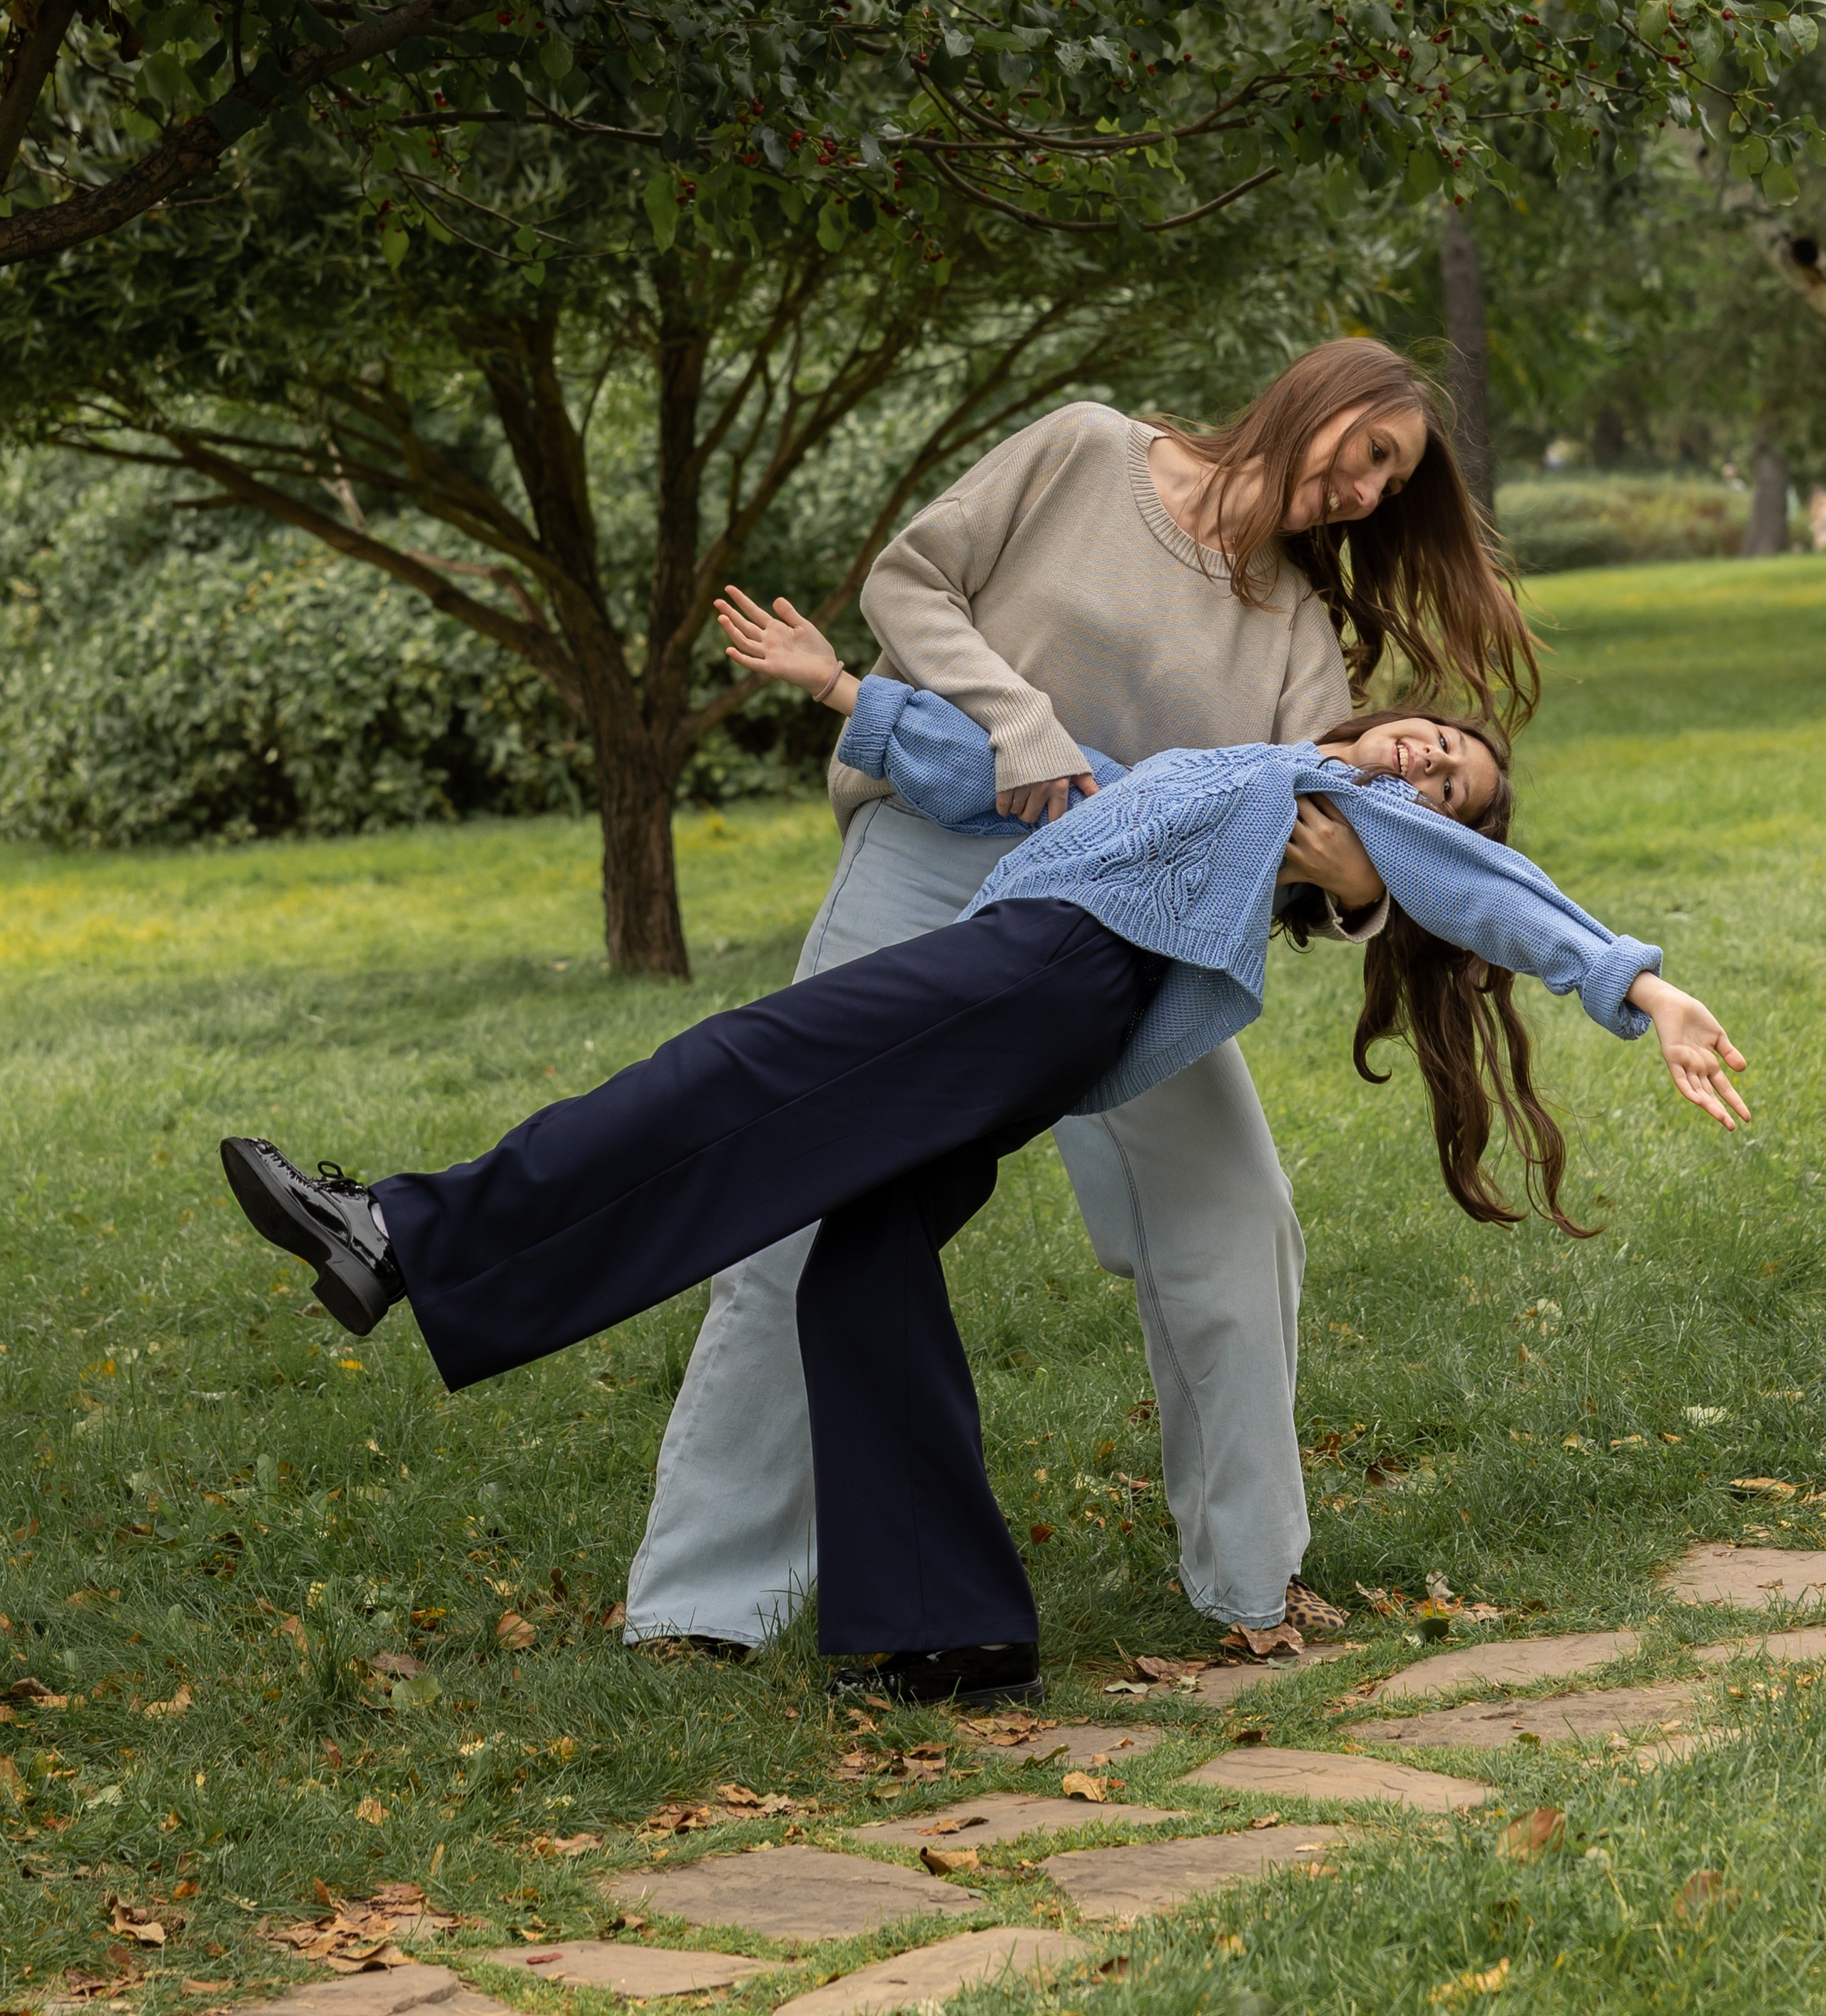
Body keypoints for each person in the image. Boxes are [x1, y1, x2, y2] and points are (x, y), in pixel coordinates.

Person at [218, 643, 1745, 1709]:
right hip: (1021, 981)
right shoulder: (1230, 767)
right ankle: (945, 1631)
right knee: (861, 1267)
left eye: (1458, 782)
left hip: (1033, 978)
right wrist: (840, 692)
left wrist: (1639, 987)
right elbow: (1006, 775)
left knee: (735, 1073)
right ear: (1380, 711)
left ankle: (405, 1229)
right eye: (1433, 738)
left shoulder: (1347, 815)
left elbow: (1494, 895)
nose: (1436, 766)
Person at [623, 341, 1539, 1664]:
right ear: (1321, 394)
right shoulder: (1087, 450)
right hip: (939, 861)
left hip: (1126, 933)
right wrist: (1018, 721)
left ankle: (1254, 1582)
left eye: (1389, 486)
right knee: (801, 1194)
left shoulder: (1293, 630)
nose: (1364, 493)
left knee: (1237, 1220)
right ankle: (702, 1606)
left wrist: (1351, 891)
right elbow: (906, 582)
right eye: (1373, 453)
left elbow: (1321, 809)